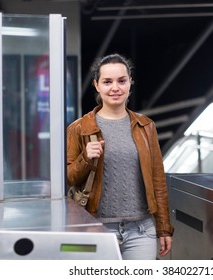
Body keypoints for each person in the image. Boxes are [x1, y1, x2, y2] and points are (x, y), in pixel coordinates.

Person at [66, 53, 174, 260]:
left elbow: (158, 181)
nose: (115, 88)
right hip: (96, 228)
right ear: (97, 85)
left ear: (130, 83)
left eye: (121, 81)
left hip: (141, 230)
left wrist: (164, 228)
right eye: (107, 82)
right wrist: (85, 159)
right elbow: (69, 178)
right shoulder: (78, 128)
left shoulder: (146, 126)